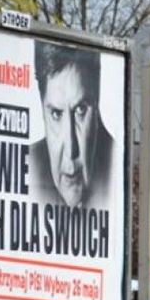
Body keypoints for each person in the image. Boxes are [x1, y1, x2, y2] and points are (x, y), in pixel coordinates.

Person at [30, 40, 114, 208]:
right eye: (56, 114)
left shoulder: (118, 169)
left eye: (80, 110)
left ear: (97, 104)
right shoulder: (26, 168)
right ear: (42, 110)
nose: (71, 150)